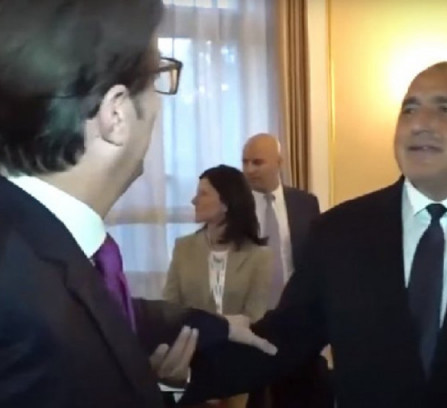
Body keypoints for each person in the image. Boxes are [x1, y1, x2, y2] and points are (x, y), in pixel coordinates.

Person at [181, 62, 447, 408]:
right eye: (409, 109)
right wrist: (176, 367)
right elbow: (279, 341)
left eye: (445, 109)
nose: (420, 123)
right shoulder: (339, 234)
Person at [0, 1, 274, 407]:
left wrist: (216, 326)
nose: (161, 106)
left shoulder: (45, 249)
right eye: (159, 76)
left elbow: (117, 311)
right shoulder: (21, 295)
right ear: (116, 114)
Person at [164, 165, 272, 408]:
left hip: (239, 367)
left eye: (203, 194)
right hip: (191, 366)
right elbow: (170, 309)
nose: (194, 200)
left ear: (226, 203)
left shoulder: (259, 256)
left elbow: (254, 318)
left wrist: (206, 324)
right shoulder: (183, 248)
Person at [242, 134, 331, 408]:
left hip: (296, 319)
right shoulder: (236, 207)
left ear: (279, 162)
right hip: (252, 319)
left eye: (257, 162)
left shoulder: (305, 203)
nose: (249, 169)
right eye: (245, 162)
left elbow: (316, 260)